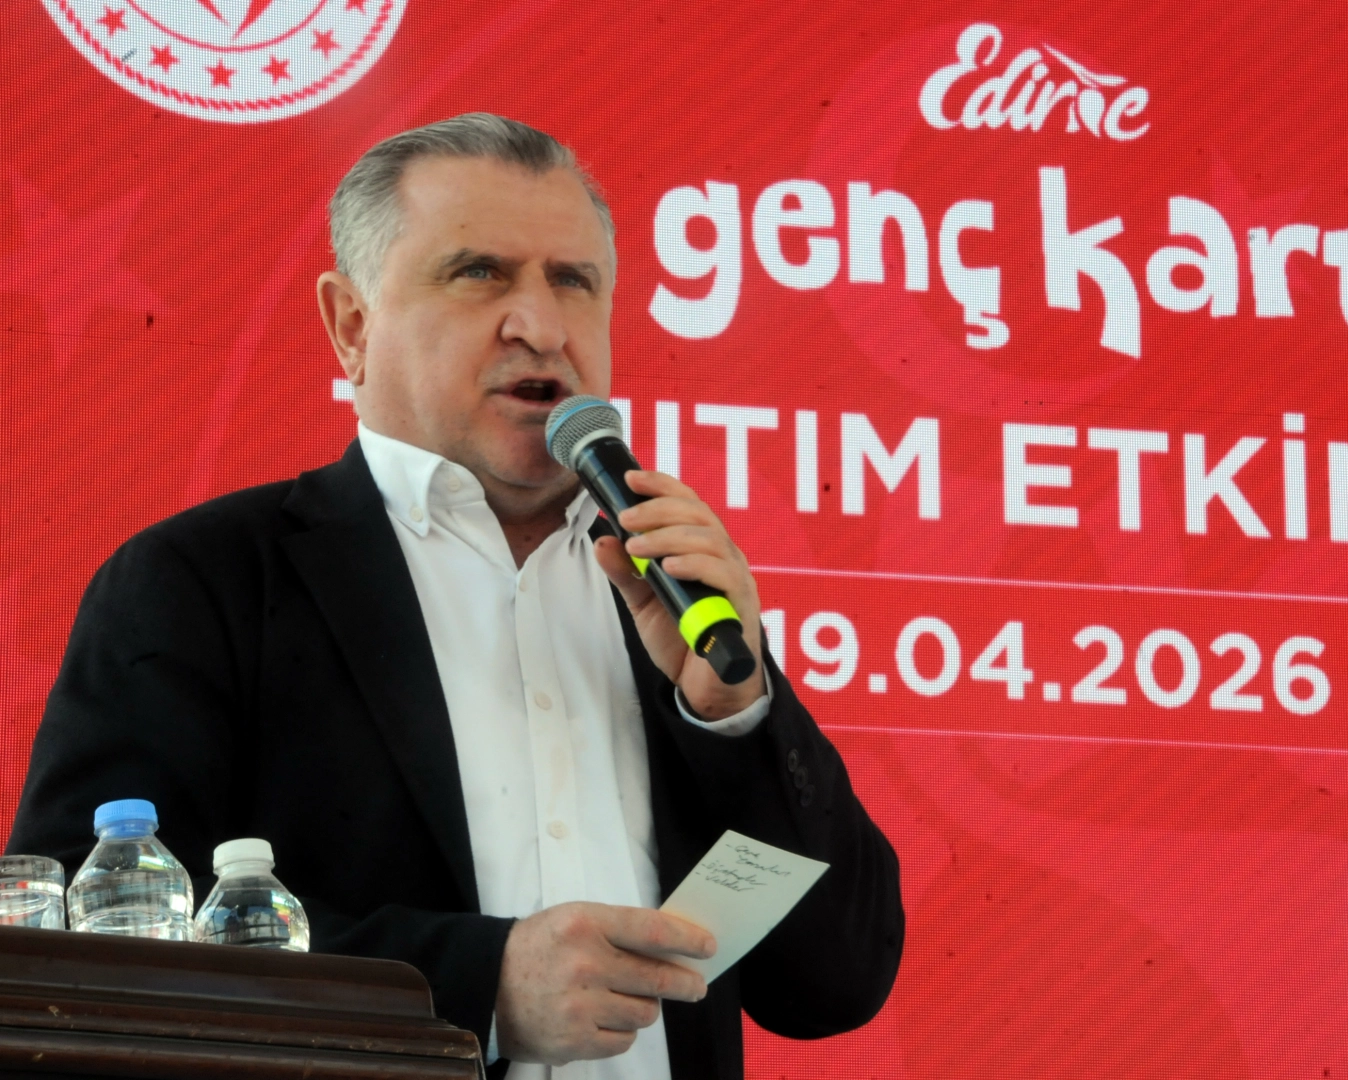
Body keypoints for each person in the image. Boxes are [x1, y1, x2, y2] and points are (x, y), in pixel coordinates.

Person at [6, 113, 904, 1080]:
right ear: (352, 326)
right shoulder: (204, 581)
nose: (542, 326)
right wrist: (475, 989)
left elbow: (835, 982)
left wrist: (736, 715)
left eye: (574, 281)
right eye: (480, 273)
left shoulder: (668, 587)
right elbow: (84, 957)